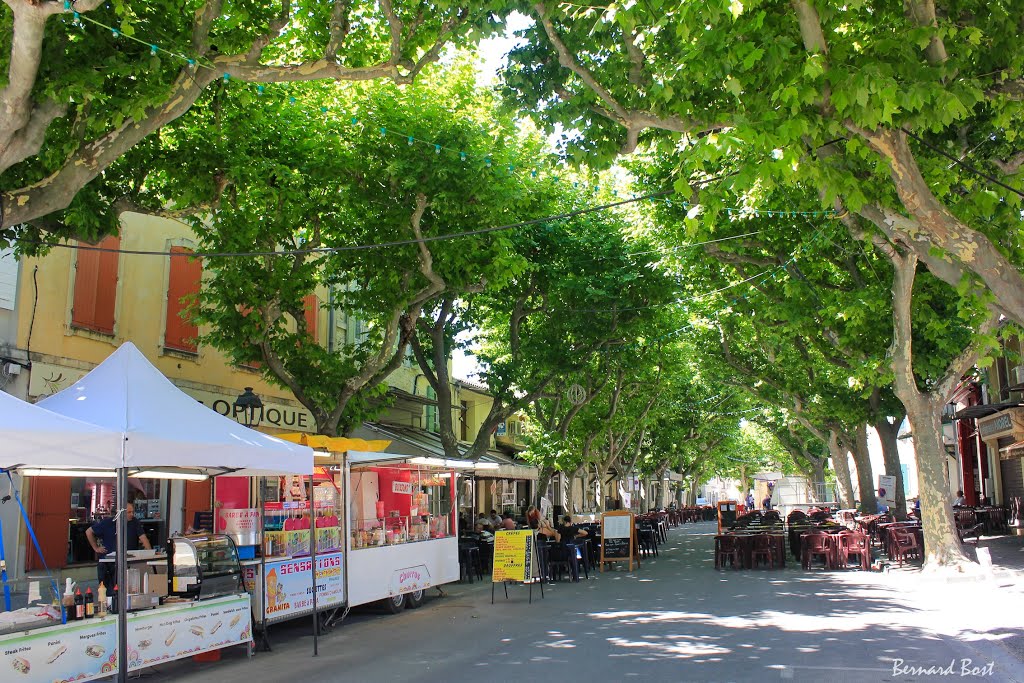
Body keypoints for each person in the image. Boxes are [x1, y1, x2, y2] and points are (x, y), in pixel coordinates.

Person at [86, 502, 152, 591]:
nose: (131, 514)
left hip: (127, 561)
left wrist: (150, 554)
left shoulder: (134, 522)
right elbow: (89, 532)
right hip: (108, 563)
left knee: (127, 589)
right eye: (129, 512)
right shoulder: (108, 522)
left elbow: (143, 538)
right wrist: (96, 548)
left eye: (132, 512)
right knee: (108, 592)